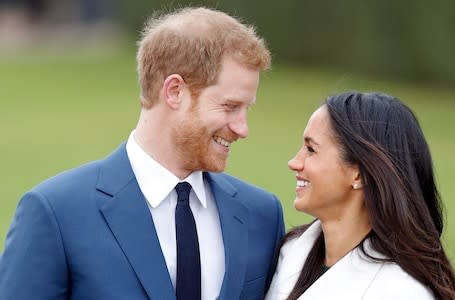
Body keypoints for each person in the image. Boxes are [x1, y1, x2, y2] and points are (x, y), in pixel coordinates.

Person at [0, 7, 285, 300]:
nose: (243, 128)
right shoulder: (56, 213)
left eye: (246, 109)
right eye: (230, 107)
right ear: (174, 91)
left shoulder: (261, 215)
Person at [265, 91, 455, 300]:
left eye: (311, 149)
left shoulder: (403, 292)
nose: (294, 162)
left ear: (359, 175)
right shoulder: (290, 252)